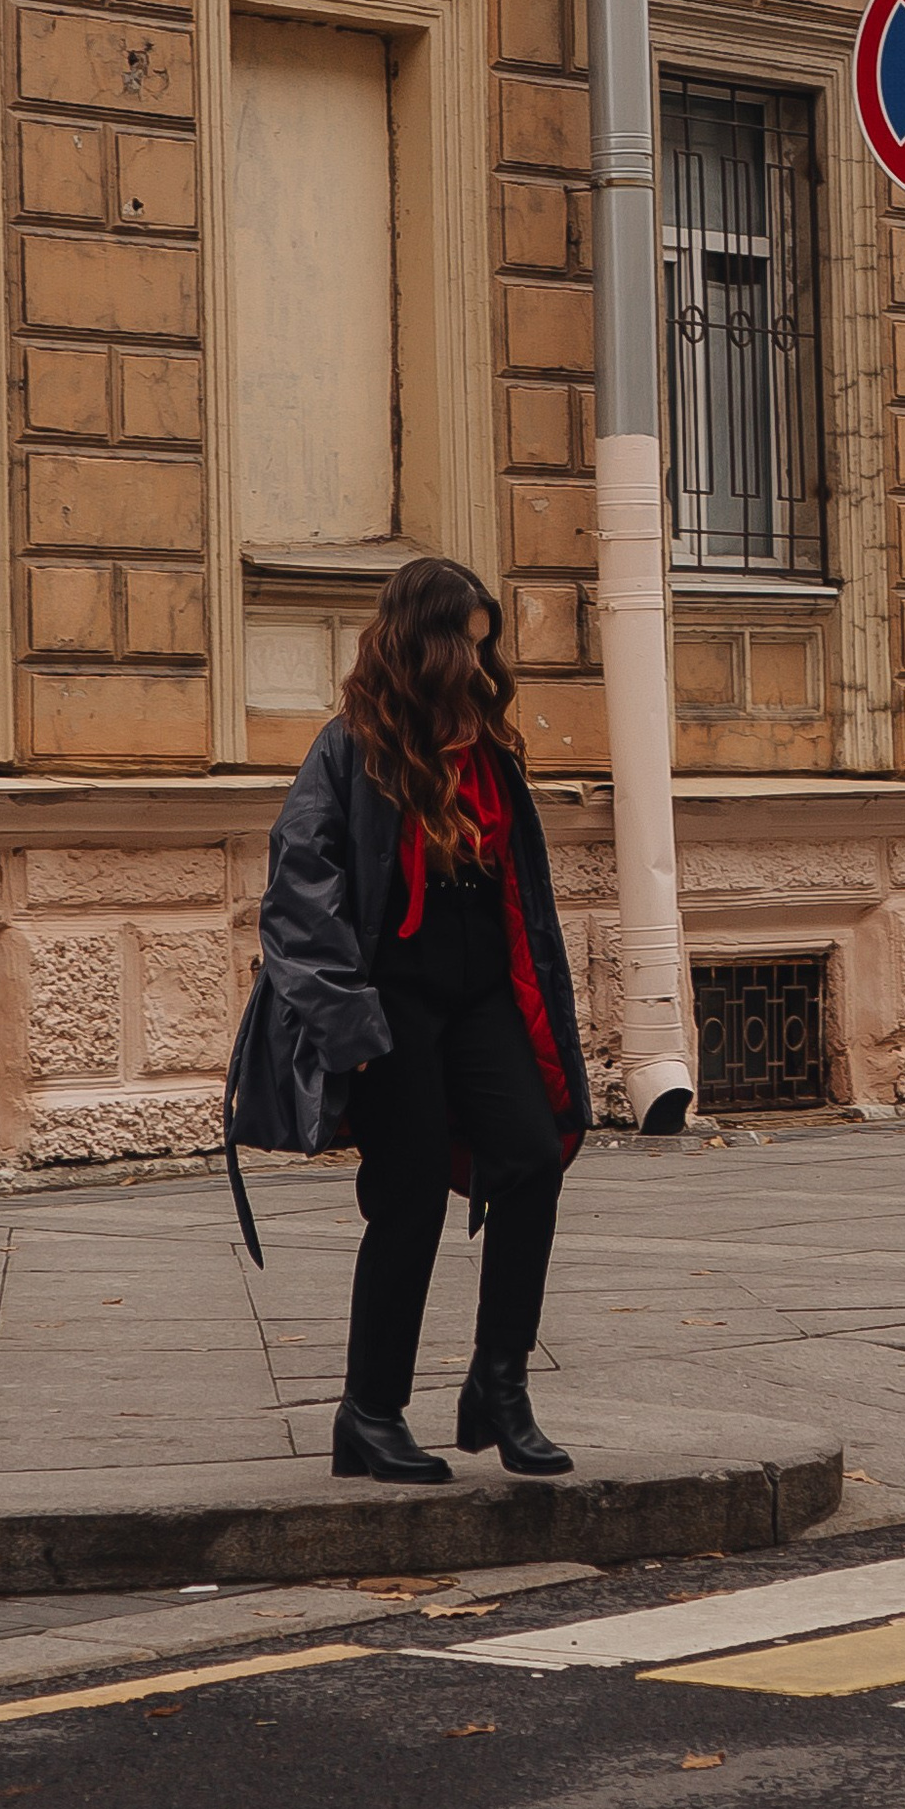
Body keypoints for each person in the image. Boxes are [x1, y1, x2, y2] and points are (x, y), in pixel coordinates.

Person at [223, 556, 590, 1485]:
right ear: (421, 643)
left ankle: (499, 1386)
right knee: (411, 1198)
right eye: (464, 645)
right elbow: (298, 895)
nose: (479, 664)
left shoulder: (489, 750)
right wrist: (349, 1026)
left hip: (483, 996)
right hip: (388, 1006)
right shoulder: (351, 748)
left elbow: (520, 896)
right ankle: (370, 1413)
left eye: (484, 647)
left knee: (531, 1158)